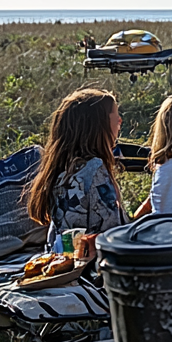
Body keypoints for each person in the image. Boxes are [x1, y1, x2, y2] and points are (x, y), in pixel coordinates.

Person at [26, 88, 127, 252]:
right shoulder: (95, 170)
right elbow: (112, 232)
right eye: (115, 115)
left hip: (63, 259)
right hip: (93, 265)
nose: (120, 121)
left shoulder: (61, 169)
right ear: (99, 125)